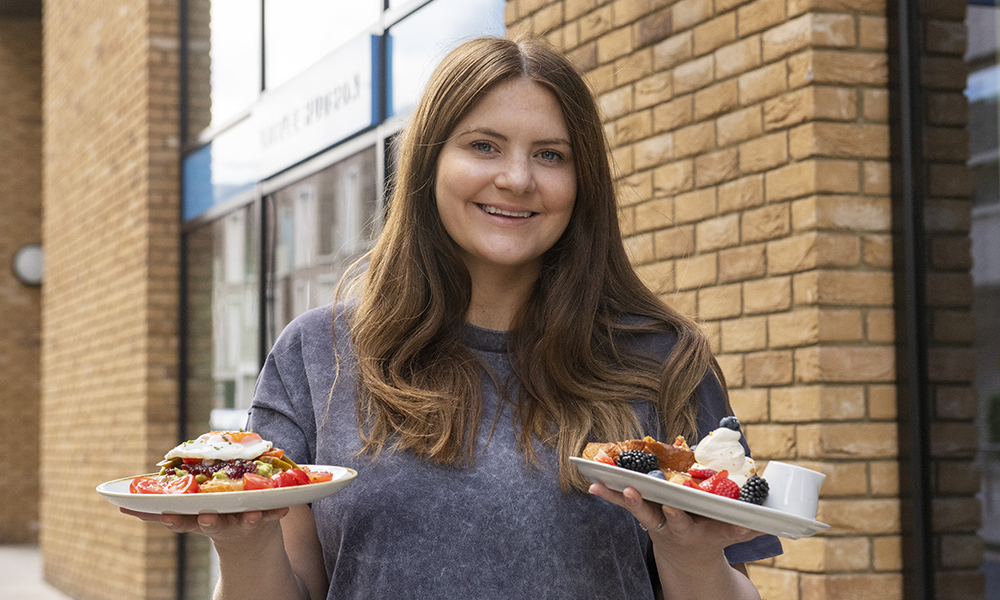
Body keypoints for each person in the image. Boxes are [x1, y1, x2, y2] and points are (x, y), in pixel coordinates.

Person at [125, 36, 782, 599]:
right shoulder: (318, 354)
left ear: (583, 184)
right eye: (484, 145)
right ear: (429, 164)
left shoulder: (663, 359)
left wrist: (693, 555)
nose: (517, 178)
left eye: (550, 155)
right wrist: (240, 546)